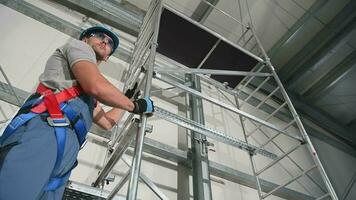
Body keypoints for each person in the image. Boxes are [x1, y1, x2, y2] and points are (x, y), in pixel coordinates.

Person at [0, 25, 154, 199]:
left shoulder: (87, 96)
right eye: (99, 35)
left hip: (67, 151)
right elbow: (95, 85)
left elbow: (107, 122)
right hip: (45, 129)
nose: (105, 41)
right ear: (85, 39)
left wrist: (127, 99)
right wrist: (134, 105)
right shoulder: (78, 47)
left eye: (110, 42)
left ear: (108, 57)